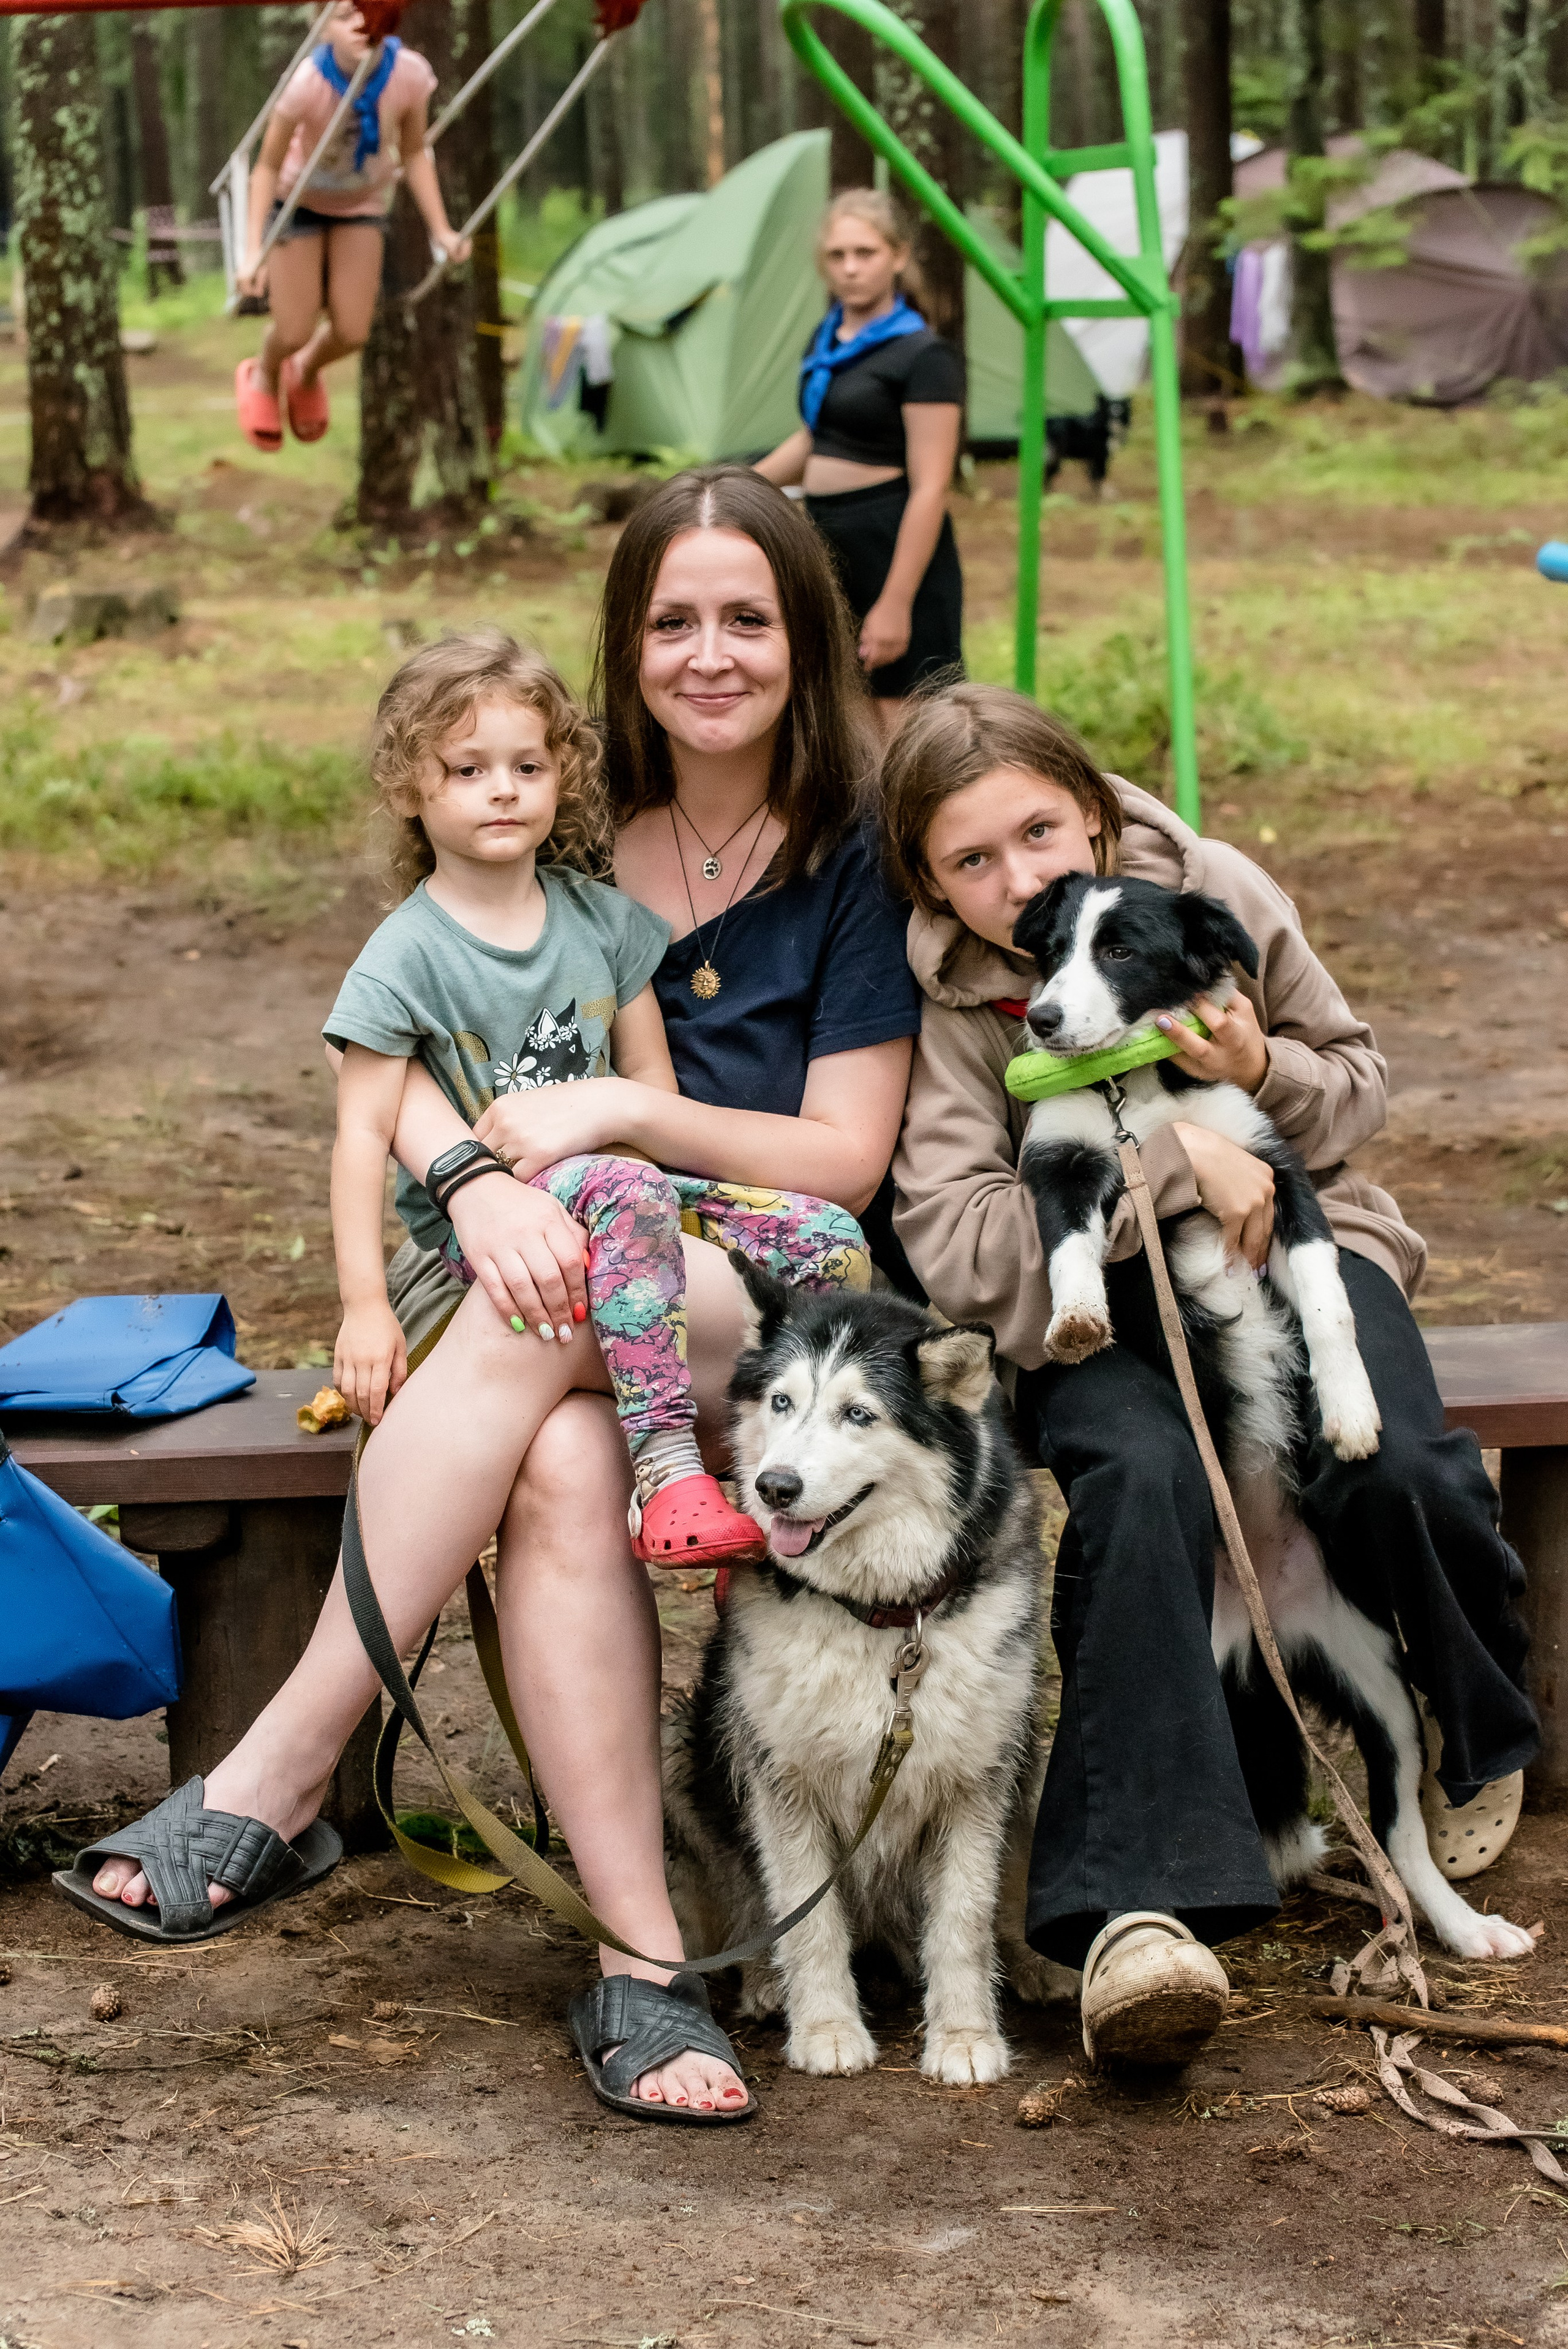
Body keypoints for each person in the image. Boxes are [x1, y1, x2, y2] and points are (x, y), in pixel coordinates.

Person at [71, 467, 921, 2123]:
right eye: (671, 621)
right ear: (624, 643)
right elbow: (400, 1059)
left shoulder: (852, 855)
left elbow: (841, 1154)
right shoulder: (555, 811)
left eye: (747, 618)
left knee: (554, 1309)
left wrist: (617, 1114)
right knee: (556, 1455)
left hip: (777, 1316)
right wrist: (467, 1174)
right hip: (569, 1302)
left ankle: (285, 1763)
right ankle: (642, 1958)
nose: (709, 653)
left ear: (806, 638)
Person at [881, 680, 1540, 2066]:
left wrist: (1259, 1073)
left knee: (1401, 1463)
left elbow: (1355, 1079)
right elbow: (957, 1236)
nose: (1019, 879)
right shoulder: (947, 996)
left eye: (1039, 832)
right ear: (929, 881)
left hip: (1298, 1238)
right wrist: (1173, 1161)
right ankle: (1136, 1899)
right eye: (971, 860)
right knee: (1139, 1477)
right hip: (1090, 1309)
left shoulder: (1212, 888)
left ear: (1091, 810)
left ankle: (1466, 1725)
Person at [328, 627, 868, 1568]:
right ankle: (666, 1468)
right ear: (410, 787)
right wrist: (364, 1305)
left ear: (562, 776)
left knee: (827, 1237)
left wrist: (649, 1194)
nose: (503, 789)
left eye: (527, 766)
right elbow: (362, 1132)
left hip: (625, 1195)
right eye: (468, 769)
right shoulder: (404, 957)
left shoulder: (604, 924)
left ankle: (765, 1480)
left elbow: (647, 1089)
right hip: (491, 1236)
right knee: (625, 1188)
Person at [756, 189, 965, 739]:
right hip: (829, 543)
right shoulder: (826, 341)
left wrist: (896, 602)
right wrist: (737, 486)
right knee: (844, 720)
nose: (850, 268)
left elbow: (932, 487)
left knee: (900, 726)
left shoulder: (923, 355)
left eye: (865, 253)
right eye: (838, 255)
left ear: (899, 256)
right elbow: (819, 438)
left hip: (891, 544)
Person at [233, 0, 470, 452]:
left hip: (360, 203)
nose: (360, 23)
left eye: (369, 9)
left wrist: (441, 229)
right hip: (298, 202)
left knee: (352, 332)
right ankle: (264, 371)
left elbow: (414, 152)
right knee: (294, 329)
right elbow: (266, 167)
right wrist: (252, 250)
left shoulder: (408, 75)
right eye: (344, 16)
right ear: (322, 28)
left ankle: (305, 370)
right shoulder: (307, 84)